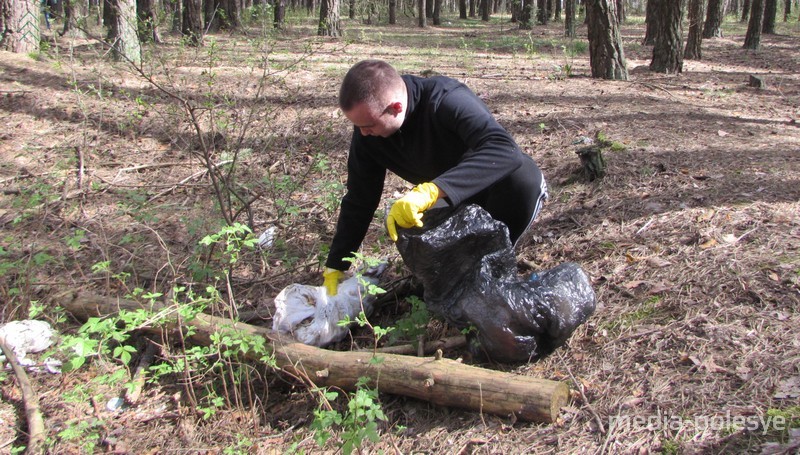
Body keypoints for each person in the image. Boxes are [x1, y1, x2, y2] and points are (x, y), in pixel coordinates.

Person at [323, 59, 548, 296]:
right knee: (408, 221)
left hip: (498, 191)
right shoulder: (368, 132)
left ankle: (495, 263)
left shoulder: (446, 99)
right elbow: (360, 198)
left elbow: (505, 150)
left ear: (396, 108)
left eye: (368, 125)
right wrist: (337, 264)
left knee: (522, 178)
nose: (362, 132)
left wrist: (432, 191)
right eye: (357, 125)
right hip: (454, 200)